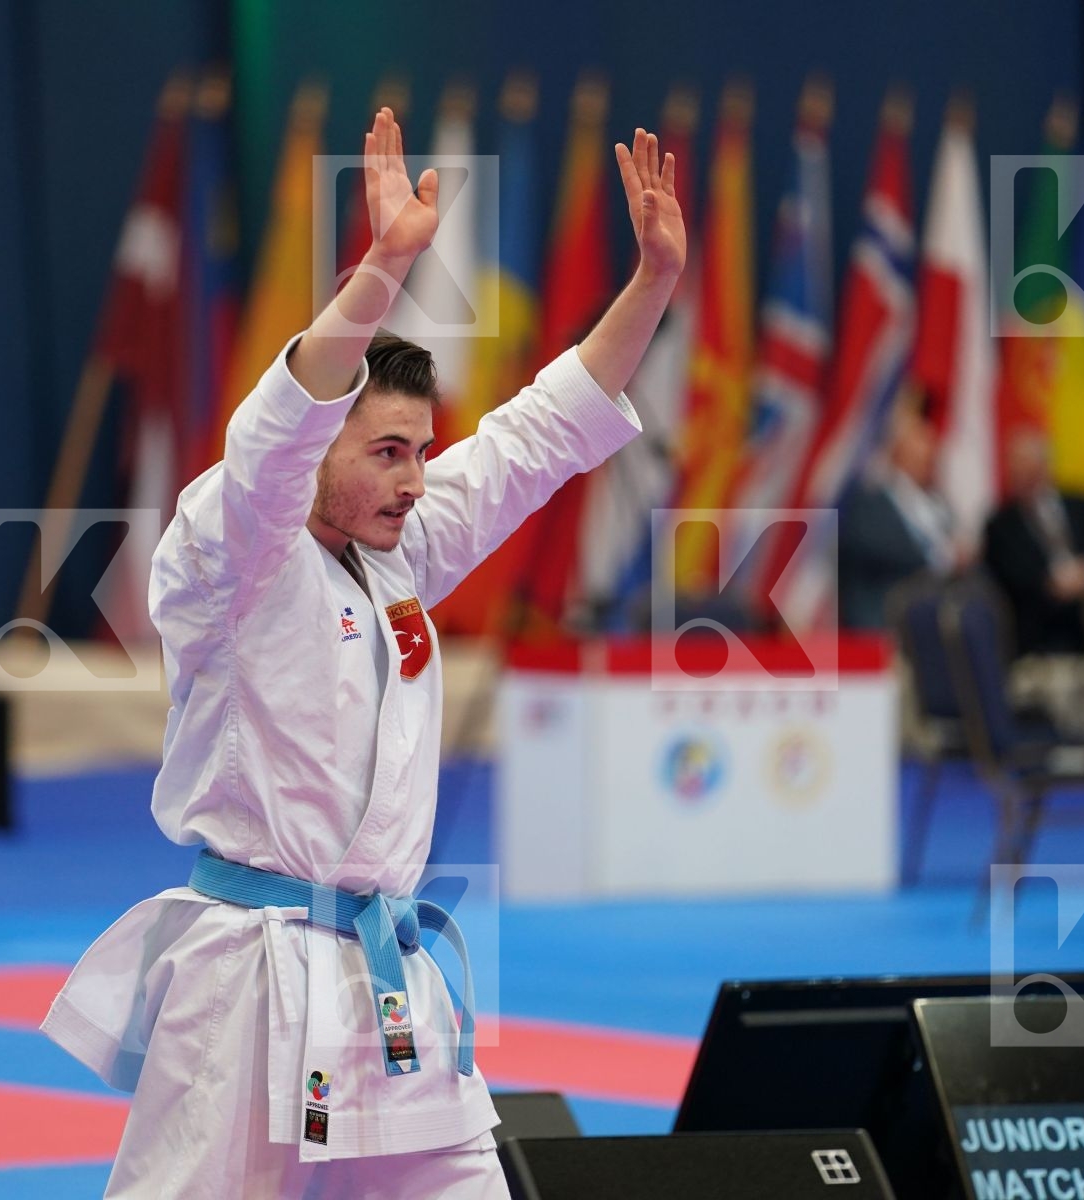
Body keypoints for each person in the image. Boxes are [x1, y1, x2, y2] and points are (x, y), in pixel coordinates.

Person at [40, 107, 686, 1198]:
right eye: (385, 451)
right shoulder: (232, 551)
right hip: (242, 979)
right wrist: (383, 269)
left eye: (418, 452)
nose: (411, 479)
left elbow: (537, 436)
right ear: (318, 447)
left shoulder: (396, 556)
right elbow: (274, 433)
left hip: (384, 979)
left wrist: (653, 285)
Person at [983, 428, 1084, 737]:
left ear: (1045, 468)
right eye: (1015, 467)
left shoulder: (1080, 505)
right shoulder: (1000, 524)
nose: (1020, 474)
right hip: (1044, 632)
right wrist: (1057, 583)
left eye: (1028, 466)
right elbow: (1015, 579)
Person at [838, 395, 962, 630]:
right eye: (920, 445)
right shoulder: (868, 502)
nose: (929, 455)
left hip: (934, 626)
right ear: (898, 451)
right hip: (882, 622)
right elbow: (870, 547)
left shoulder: (937, 504)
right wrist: (940, 556)